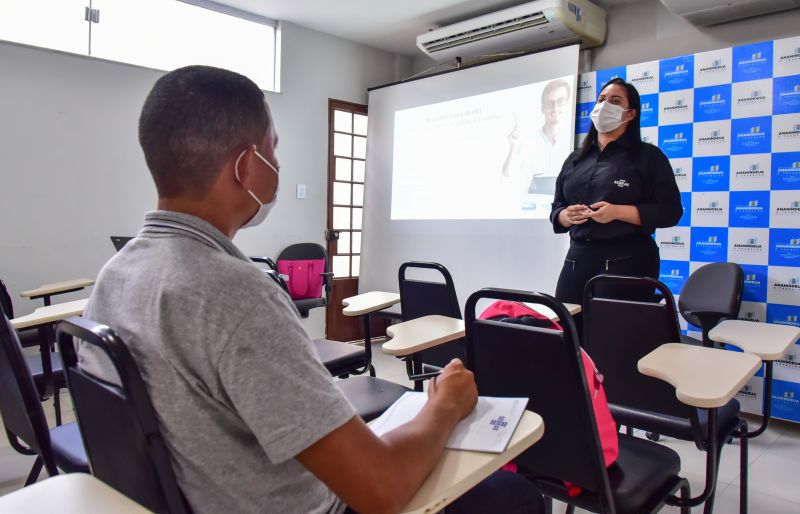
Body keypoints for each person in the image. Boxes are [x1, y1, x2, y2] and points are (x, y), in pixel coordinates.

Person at [78, 65, 545, 514]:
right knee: (514, 496)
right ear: (245, 165)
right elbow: (379, 490)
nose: (276, 165)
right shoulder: (235, 294)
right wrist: (445, 406)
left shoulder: (116, 273)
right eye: (272, 151)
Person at [550, 78, 682, 305]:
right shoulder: (575, 159)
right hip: (577, 259)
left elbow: (670, 211)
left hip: (627, 260)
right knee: (569, 330)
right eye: (601, 99)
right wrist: (566, 216)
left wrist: (618, 212)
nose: (604, 105)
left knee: (614, 335)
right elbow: (557, 209)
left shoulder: (648, 157)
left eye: (615, 101)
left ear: (630, 114)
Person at [502, 78, 572, 198]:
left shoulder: (574, 143)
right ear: (543, 108)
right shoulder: (528, 142)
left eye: (560, 101)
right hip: (532, 211)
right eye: (550, 103)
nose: (555, 107)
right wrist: (513, 145)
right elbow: (508, 175)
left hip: (564, 213)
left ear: (567, 103)